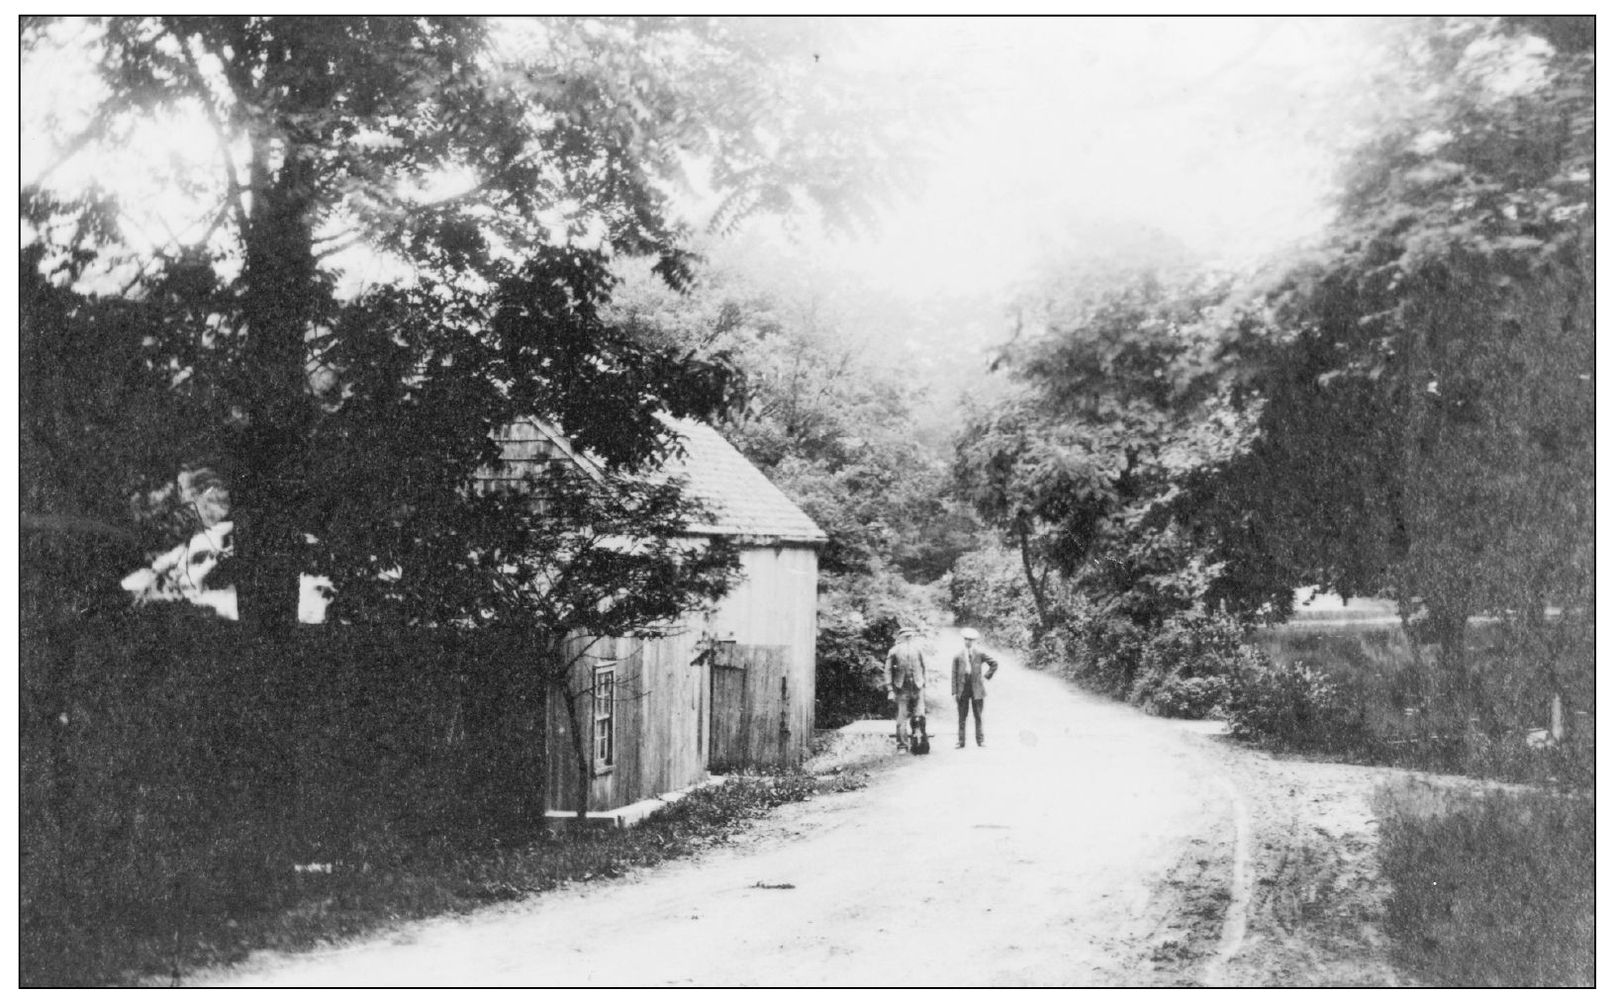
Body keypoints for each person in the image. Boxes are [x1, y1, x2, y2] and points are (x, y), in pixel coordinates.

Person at [952, 627, 1000, 748]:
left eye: (971, 640)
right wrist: (954, 692)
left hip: (977, 688)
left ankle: (980, 740)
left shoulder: (979, 653)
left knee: (978, 715)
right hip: (963, 688)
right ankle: (961, 741)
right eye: (966, 639)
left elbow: (994, 664)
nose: (968, 642)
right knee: (962, 716)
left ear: (974, 641)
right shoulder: (958, 655)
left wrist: (986, 676)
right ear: (964, 640)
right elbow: (954, 674)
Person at [884, 625, 928, 752]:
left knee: (919, 716)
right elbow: (887, 671)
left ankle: (919, 743)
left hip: (918, 687)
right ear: (901, 637)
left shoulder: (918, 649)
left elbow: (924, 667)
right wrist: (890, 690)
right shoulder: (894, 651)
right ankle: (902, 745)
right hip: (901, 689)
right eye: (906, 636)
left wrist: (924, 684)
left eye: (910, 636)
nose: (909, 639)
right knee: (901, 719)